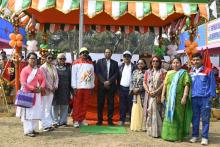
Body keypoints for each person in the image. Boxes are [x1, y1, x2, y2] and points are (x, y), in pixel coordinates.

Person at [161, 56, 192, 142]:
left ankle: (178, 136)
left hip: (179, 100)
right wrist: (162, 95)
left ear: (181, 64)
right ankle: (167, 135)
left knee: (178, 116)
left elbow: (187, 84)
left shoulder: (184, 73)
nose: (175, 64)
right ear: (171, 64)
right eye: (174, 62)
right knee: (169, 115)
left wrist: (184, 97)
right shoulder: (169, 73)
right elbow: (165, 84)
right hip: (169, 99)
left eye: (177, 62)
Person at [16, 52, 46, 137]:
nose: (33, 60)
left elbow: (43, 80)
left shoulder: (39, 70)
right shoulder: (25, 70)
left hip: (37, 94)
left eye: (35, 58)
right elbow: (23, 82)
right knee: (28, 113)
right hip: (28, 94)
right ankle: (28, 131)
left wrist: (41, 88)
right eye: (31, 58)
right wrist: (33, 89)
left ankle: (33, 129)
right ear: (28, 60)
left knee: (35, 112)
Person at [189, 53, 216, 145]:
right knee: (195, 118)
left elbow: (212, 85)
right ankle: (195, 135)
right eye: (194, 60)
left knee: (205, 118)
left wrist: (211, 97)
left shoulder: (208, 71)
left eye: (197, 60)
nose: (195, 61)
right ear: (192, 61)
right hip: (193, 98)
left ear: (201, 60)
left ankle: (204, 137)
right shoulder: (190, 71)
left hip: (205, 98)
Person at [71, 47, 95, 128]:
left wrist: (92, 86)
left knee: (85, 105)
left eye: (86, 52)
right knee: (77, 104)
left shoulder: (90, 63)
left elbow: (92, 77)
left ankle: (82, 119)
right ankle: (76, 120)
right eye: (83, 52)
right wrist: (74, 87)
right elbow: (73, 76)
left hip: (88, 87)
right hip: (79, 87)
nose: (84, 54)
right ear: (80, 54)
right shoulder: (76, 63)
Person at [143, 56, 166, 137]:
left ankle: (158, 131)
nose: (155, 62)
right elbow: (144, 82)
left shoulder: (163, 71)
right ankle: (151, 131)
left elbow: (164, 83)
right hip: (149, 95)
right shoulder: (147, 72)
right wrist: (148, 91)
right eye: (153, 61)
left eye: (157, 61)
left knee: (158, 113)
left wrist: (156, 91)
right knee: (150, 112)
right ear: (151, 62)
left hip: (158, 95)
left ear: (159, 62)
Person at [96, 48, 119, 126]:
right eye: (106, 52)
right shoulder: (99, 62)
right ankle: (99, 120)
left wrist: (109, 82)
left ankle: (110, 120)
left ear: (111, 54)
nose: (107, 54)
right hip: (102, 86)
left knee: (111, 104)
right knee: (100, 103)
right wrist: (104, 82)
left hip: (111, 86)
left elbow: (116, 74)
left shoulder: (115, 63)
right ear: (104, 53)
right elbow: (98, 73)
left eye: (109, 52)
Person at [52, 53, 72, 127]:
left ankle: (63, 121)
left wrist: (71, 91)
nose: (62, 60)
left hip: (65, 90)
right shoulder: (53, 68)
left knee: (64, 106)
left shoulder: (68, 68)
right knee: (55, 106)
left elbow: (70, 80)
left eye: (64, 59)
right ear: (57, 59)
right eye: (60, 59)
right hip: (56, 90)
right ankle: (55, 121)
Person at [40, 53, 59, 131]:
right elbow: (44, 79)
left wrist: (55, 86)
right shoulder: (42, 67)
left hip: (52, 90)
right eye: (49, 58)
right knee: (43, 107)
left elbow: (57, 77)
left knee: (48, 108)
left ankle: (48, 124)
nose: (50, 59)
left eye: (52, 58)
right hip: (45, 90)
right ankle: (42, 125)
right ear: (45, 58)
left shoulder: (54, 67)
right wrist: (50, 87)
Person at [118, 50, 136, 125]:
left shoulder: (134, 67)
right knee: (122, 105)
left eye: (128, 56)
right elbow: (118, 78)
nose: (126, 58)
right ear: (123, 58)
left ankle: (131, 120)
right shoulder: (120, 66)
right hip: (122, 88)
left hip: (130, 89)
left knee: (130, 105)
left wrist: (133, 88)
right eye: (125, 56)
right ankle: (122, 120)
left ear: (131, 57)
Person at [130, 59, 146, 131]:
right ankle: (135, 126)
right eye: (139, 63)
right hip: (135, 95)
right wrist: (133, 89)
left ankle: (142, 126)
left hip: (142, 94)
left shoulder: (146, 72)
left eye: (142, 63)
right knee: (135, 110)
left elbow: (147, 83)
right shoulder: (134, 72)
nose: (140, 65)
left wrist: (139, 89)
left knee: (142, 110)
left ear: (144, 64)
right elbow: (131, 82)